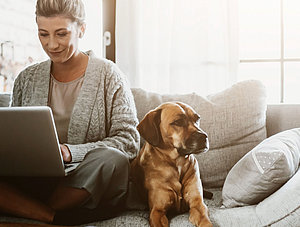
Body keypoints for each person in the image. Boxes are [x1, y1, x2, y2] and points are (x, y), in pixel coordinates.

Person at [0, 0, 139, 225]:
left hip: (84, 182)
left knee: (113, 160)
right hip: (35, 179)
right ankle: (54, 217)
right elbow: (13, 138)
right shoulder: (26, 79)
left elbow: (129, 142)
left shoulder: (109, 75)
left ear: (81, 29)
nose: (51, 44)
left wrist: (70, 152)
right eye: (43, 34)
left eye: (61, 34)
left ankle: (26, 208)